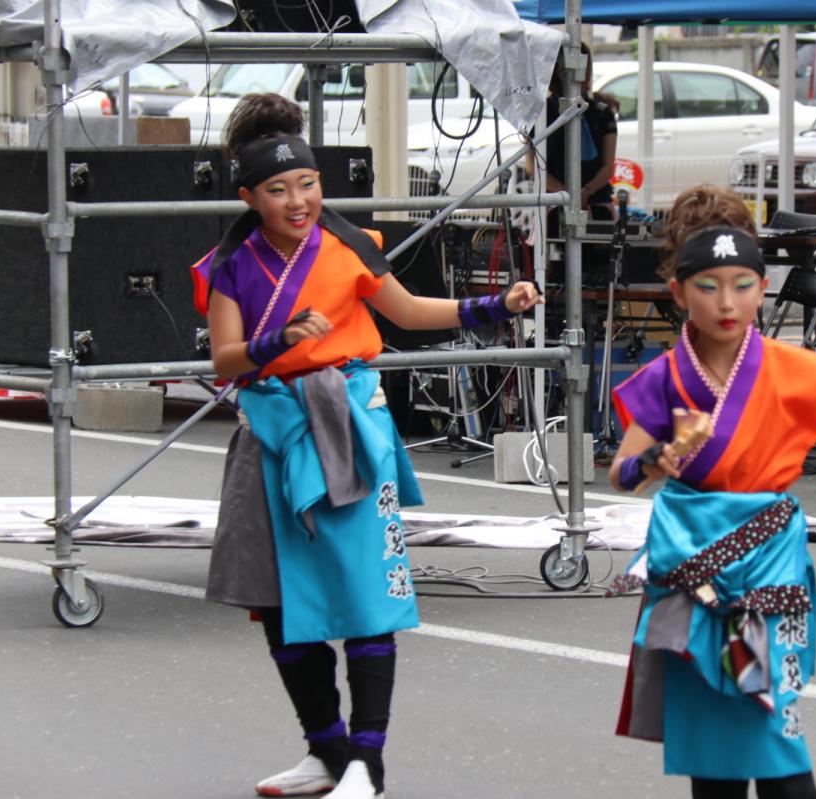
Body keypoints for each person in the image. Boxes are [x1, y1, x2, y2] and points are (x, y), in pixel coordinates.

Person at [192, 93, 542, 799]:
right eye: (278, 190)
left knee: (363, 594)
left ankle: (368, 763)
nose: (298, 200)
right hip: (270, 431)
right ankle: (326, 750)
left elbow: (408, 313)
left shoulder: (347, 243)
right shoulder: (229, 262)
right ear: (249, 196)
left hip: (346, 425)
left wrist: (492, 305)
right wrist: (273, 342)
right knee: (280, 600)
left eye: (309, 184)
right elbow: (225, 359)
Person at [606, 185, 816, 799]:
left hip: (765, 569)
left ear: (763, 285)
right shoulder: (664, 379)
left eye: (742, 284)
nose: (727, 303)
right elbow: (623, 473)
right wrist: (659, 457)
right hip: (690, 571)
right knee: (711, 744)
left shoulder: (794, 368)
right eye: (708, 286)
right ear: (679, 291)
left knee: (771, 725)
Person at [525, 42, 618, 231]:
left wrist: (585, 192)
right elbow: (532, 166)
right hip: (552, 206)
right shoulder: (539, 112)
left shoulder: (601, 112)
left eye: (584, 66)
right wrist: (565, 192)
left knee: (597, 259)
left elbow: (609, 166)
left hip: (596, 205)